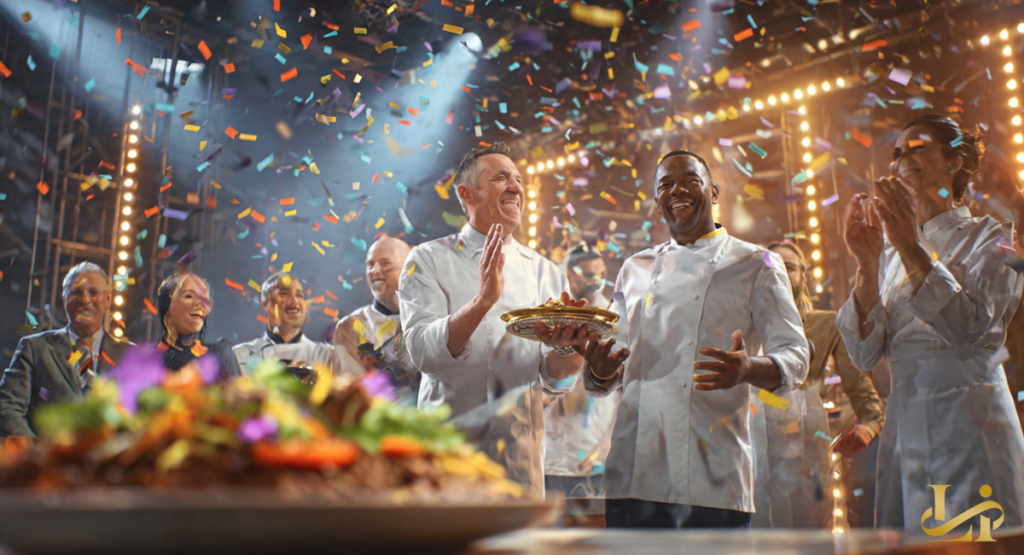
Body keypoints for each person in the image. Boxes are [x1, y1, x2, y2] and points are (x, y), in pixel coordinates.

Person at [580, 150, 809, 529]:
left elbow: (797, 357)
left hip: (712, 478)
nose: (677, 191)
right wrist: (600, 370)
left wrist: (749, 367)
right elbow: (609, 366)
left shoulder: (758, 263)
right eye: (665, 185)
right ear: (657, 203)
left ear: (714, 192)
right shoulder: (634, 268)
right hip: (633, 474)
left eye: (689, 180)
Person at [836, 114, 1024, 532]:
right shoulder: (886, 253)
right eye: (897, 153)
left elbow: (970, 327)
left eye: (916, 149)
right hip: (905, 422)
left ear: (955, 161)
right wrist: (866, 264)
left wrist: (909, 246)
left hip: (971, 417)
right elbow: (865, 353)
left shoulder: (992, 236)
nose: (901, 160)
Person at [398, 141, 589, 495]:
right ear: (466, 193)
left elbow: (552, 382)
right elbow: (422, 353)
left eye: (518, 179)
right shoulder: (426, 259)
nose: (516, 186)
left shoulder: (545, 271)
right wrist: (483, 300)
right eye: (502, 178)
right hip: (447, 455)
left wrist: (573, 349)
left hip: (519, 459)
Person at [763, 241, 885, 529]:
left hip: (808, 447)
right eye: (771, 266)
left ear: (803, 275)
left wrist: (869, 426)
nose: (780, 272)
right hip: (755, 443)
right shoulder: (745, 323)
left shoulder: (828, 324)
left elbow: (862, 390)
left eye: (789, 267)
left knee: (813, 535)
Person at [0, 262, 132, 437]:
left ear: (108, 299)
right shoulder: (34, 347)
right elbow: (7, 407)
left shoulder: (130, 356)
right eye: (76, 292)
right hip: (48, 461)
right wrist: (37, 452)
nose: (85, 300)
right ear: (64, 300)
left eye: (93, 292)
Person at [544, 245, 621, 501]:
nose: (595, 281)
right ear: (570, 273)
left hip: (593, 450)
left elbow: (625, 390)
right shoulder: (549, 314)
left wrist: (607, 442)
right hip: (549, 449)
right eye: (587, 274)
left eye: (600, 274)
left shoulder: (613, 319)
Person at [334, 237, 416, 391]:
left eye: (385, 263)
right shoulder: (350, 327)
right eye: (369, 265)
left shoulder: (433, 313)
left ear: (408, 269)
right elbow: (356, 391)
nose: (374, 271)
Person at [234, 272, 349, 380]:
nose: (294, 301)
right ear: (265, 304)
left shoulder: (327, 356)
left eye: (299, 295)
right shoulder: (241, 356)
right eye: (284, 294)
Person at [157, 272, 242, 381]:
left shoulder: (221, 354)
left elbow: (239, 395)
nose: (201, 304)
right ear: (167, 306)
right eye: (189, 296)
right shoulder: (150, 361)